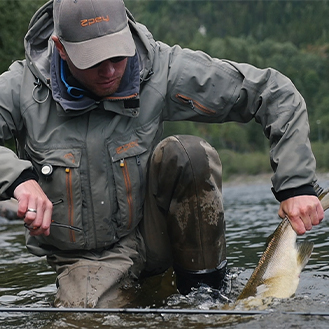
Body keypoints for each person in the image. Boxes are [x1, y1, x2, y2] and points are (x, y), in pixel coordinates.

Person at [0, 0, 324, 308]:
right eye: (94, 62)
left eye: (118, 56)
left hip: (154, 231)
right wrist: (18, 178)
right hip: (89, 257)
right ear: (61, 48)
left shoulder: (160, 68)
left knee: (189, 153)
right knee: (86, 321)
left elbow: (273, 92)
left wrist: (296, 186)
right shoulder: (20, 89)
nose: (111, 71)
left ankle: (207, 295)